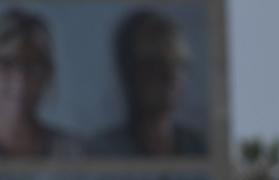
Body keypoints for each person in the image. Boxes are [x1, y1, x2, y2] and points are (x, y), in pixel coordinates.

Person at [85, 7, 206, 158]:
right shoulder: (99, 151)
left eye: (177, 65)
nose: (170, 76)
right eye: (155, 64)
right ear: (129, 71)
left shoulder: (200, 146)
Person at [0, 8, 82, 158]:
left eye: (32, 65)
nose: (20, 78)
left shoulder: (71, 151)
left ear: (47, 73)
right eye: (7, 63)